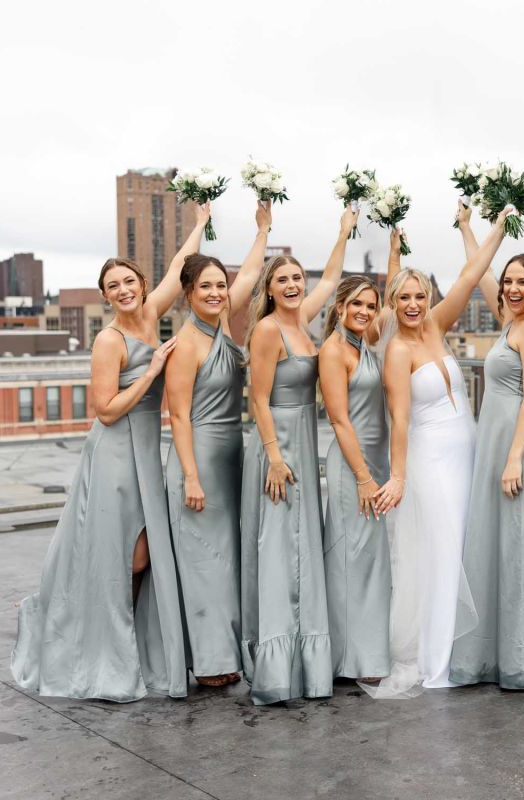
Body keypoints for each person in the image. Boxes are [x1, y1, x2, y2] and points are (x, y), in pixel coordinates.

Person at [11, 203, 211, 701]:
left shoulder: (150, 314)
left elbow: (176, 268)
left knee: (140, 556)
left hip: (146, 450)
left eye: (129, 281)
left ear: (140, 285)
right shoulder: (109, 339)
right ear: (104, 297)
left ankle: (130, 647)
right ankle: (106, 649)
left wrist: (200, 226)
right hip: (116, 453)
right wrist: (149, 372)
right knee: (120, 557)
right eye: (113, 287)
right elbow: (105, 411)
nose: (123, 290)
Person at [366, 207, 512, 697]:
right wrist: (400, 477)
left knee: (462, 548)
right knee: (442, 552)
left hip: (465, 454)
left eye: (419, 295)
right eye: (403, 297)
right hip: (429, 461)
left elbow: (471, 275)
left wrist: (497, 224)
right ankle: (436, 662)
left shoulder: (435, 326)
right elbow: (400, 421)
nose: (412, 304)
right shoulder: (398, 351)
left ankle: (465, 652)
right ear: (393, 303)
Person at [239, 206, 356, 705]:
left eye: (295, 278)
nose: (291, 285)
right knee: (280, 549)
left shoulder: (305, 323)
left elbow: (332, 278)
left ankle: (308, 663)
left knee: (301, 546)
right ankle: (279, 667)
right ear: (269, 288)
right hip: (277, 446)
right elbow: (257, 398)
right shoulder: (268, 330)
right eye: (282, 279)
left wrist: (344, 232)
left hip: (303, 445)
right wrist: (274, 457)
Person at [163, 201, 271, 688]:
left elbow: (250, 272)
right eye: (204, 286)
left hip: (232, 455)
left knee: (227, 561)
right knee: (204, 562)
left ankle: (227, 651)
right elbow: (178, 414)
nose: (215, 292)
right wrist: (189, 475)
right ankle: (209, 661)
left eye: (219, 286)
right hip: (199, 459)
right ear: (187, 294)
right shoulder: (185, 344)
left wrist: (263, 230)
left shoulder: (225, 322)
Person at [448, 200, 524, 690]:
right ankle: (489, 651)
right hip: (495, 439)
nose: (511, 288)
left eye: (521, 282)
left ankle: (522, 658)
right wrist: (472, 226)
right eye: (509, 281)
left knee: (516, 545)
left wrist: (514, 457)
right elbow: (481, 271)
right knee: (494, 540)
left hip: (516, 443)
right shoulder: (508, 319)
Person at [319, 261, 396, 681]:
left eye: (370, 304)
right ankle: (350, 660)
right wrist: (365, 477)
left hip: (375, 462)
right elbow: (339, 420)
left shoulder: (362, 342)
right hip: (354, 466)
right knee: (352, 558)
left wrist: (393, 253)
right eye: (357, 304)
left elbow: (388, 316)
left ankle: (367, 653)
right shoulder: (333, 351)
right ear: (340, 306)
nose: (366, 311)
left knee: (371, 562)